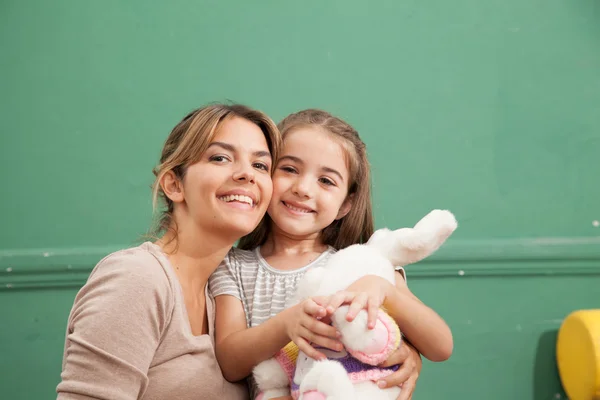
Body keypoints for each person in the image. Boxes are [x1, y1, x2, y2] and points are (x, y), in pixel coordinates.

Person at [210, 109, 453, 400]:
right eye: (289, 169)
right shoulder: (232, 266)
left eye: (326, 181)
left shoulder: (360, 264)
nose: (303, 189)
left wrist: (385, 290)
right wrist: (287, 324)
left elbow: (441, 346)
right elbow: (230, 363)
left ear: (345, 205)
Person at [56, 103, 282, 399]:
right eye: (220, 157)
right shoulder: (137, 278)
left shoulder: (226, 298)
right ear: (174, 185)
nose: (247, 175)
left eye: (260, 165)